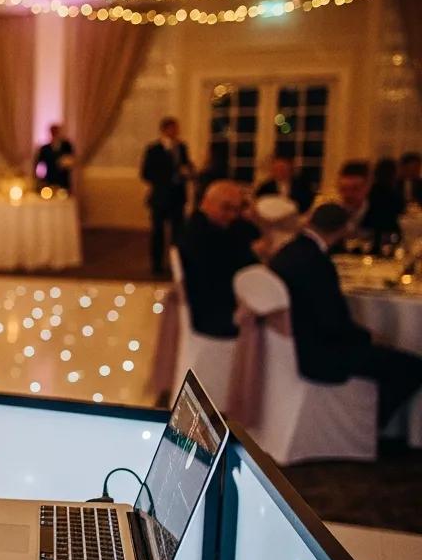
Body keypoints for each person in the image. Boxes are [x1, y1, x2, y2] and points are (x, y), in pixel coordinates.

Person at [269, 203, 422, 435]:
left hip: (292, 346)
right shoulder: (317, 263)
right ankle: (374, 432)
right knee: (411, 367)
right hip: (318, 354)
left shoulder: (288, 251)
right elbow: (331, 323)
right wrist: (369, 337)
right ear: (343, 229)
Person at [176, 182, 258, 337]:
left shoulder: (209, 225)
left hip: (213, 303)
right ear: (206, 203)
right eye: (226, 208)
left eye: (237, 210)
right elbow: (239, 262)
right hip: (213, 313)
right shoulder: (200, 233)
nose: (232, 215)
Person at [140, 116, 194, 275]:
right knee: (158, 232)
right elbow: (145, 173)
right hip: (160, 197)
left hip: (178, 196)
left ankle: (176, 263)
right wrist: (164, 178)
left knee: (178, 233)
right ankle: (156, 264)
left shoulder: (182, 147)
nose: (175, 132)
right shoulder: (153, 149)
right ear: (164, 130)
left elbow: (186, 165)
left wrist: (187, 172)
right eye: (172, 128)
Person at [334, 160, 403, 251]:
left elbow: (394, 240)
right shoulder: (332, 215)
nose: (348, 195)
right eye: (344, 189)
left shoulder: (383, 213)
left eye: (355, 189)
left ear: (367, 187)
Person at [34, 123, 74, 191]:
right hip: (49, 180)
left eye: (56, 131)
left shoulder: (66, 146)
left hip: (63, 181)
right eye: (53, 131)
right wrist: (40, 179)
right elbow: (39, 164)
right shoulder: (44, 148)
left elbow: (71, 161)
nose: (55, 133)